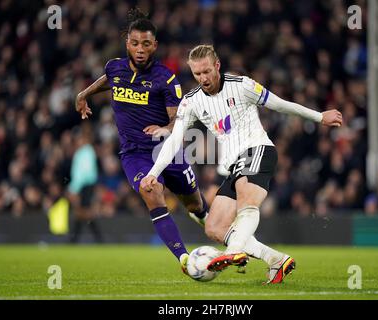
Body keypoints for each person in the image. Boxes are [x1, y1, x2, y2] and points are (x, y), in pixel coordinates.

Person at [141, 45, 343, 284]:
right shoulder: (191, 101)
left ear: (217, 66)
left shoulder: (242, 85)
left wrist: (319, 117)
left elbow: (280, 104)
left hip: (258, 149)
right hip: (234, 164)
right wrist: (153, 173)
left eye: (207, 71)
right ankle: (275, 259)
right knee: (214, 227)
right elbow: (175, 140)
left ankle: (231, 252)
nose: (203, 78)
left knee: (247, 202)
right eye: (197, 74)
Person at [75, 8, 208, 274]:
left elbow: (178, 122)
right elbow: (109, 80)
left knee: (195, 205)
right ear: (127, 43)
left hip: (167, 150)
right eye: (134, 43)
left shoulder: (165, 79)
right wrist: (84, 94)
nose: (139, 49)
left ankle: (218, 231)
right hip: (135, 154)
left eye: (146, 44)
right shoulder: (115, 68)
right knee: (152, 191)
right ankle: (185, 260)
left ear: (154, 45)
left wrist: (164, 129)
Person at [67, 124, 103, 243]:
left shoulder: (87, 151)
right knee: (81, 211)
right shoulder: (82, 152)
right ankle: (78, 238)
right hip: (82, 186)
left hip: (86, 185)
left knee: (83, 211)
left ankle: (93, 238)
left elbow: (85, 173)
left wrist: (74, 188)